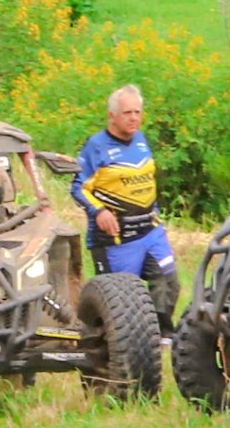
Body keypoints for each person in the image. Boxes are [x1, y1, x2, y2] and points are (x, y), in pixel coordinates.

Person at [74, 84, 175, 331]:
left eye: (138, 112)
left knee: (168, 281)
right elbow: (78, 188)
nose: (134, 118)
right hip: (115, 240)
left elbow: (147, 180)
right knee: (120, 303)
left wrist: (156, 213)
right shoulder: (96, 146)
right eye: (127, 113)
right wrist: (99, 211)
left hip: (151, 232)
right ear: (112, 116)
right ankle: (104, 344)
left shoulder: (141, 140)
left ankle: (160, 336)